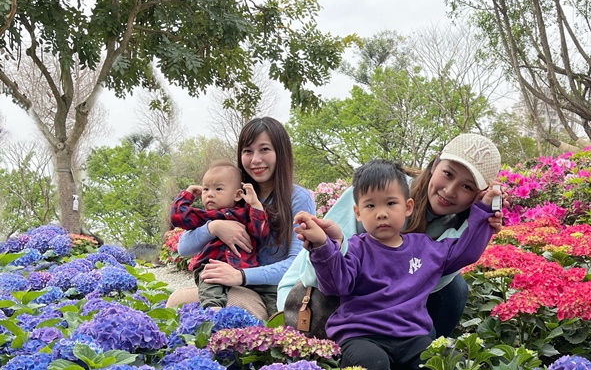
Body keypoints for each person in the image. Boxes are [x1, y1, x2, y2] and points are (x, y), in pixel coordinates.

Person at [294, 159, 501, 370]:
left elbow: (465, 251)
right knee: (371, 368)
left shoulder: (425, 248)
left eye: (391, 203)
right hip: (362, 336)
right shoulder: (356, 249)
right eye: (370, 206)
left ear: (408, 207)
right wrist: (322, 246)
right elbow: (335, 284)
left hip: (411, 337)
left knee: (448, 362)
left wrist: (485, 210)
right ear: (358, 213)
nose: (381, 213)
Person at [277, 133, 504, 337]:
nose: (450, 190)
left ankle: (421, 360)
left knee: (454, 289)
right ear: (435, 164)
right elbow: (320, 275)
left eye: (467, 187)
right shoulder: (383, 191)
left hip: (386, 306)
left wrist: (480, 219)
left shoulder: (457, 221)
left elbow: (431, 283)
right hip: (316, 296)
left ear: (478, 194)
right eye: (447, 173)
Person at [166, 117, 315, 318]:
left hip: (272, 289)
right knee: (177, 302)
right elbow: (184, 248)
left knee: (237, 309)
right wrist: (215, 227)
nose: (255, 160)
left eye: (264, 149)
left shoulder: (297, 198)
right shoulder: (231, 192)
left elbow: (297, 265)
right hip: (228, 285)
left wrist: (241, 276)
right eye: (248, 151)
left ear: (281, 152)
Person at [169, 161, 268, 309]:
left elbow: (261, 233)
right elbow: (178, 217)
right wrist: (187, 194)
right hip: (211, 267)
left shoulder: (246, 214)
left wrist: (255, 205)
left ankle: (275, 317)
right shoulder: (206, 217)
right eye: (206, 189)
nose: (210, 194)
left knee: (268, 291)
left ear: (238, 195)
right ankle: (212, 310)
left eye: (218, 189)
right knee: (211, 286)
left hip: (243, 270)